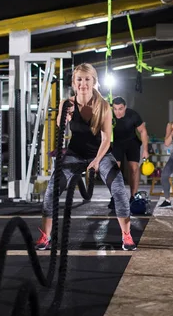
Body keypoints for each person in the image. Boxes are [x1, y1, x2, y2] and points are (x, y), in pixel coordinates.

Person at [35, 63, 136, 251]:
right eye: (79, 79)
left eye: (87, 79)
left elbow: (107, 139)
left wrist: (97, 161)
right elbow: (59, 125)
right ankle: (45, 236)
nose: (83, 84)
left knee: (119, 188)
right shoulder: (67, 103)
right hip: (75, 154)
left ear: (94, 82)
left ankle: (126, 235)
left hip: (101, 154)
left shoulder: (104, 106)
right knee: (51, 190)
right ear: (74, 82)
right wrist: (65, 115)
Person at [108, 96, 149, 208]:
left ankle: (133, 196)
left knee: (134, 168)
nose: (118, 112)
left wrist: (145, 150)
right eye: (115, 109)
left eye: (120, 109)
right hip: (117, 143)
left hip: (132, 142)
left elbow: (143, 131)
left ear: (125, 107)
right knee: (115, 170)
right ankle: (115, 197)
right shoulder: (109, 115)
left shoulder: (133, 115)